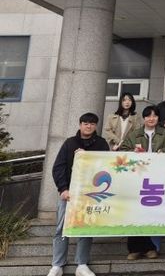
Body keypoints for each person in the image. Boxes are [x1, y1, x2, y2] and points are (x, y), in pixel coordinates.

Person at [47, 113, 109, 276]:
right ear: (80, 124)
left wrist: (86, 157)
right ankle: (57, 264)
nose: (89, 126)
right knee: (62, 228)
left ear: (96, 126)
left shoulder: (101, 143)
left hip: (91, 194)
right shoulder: (69, 143)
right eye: (85, 123)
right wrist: (63, 189)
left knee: (86, 227)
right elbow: (58, 167)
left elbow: (105, 167)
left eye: (92, 124)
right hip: (69, 193)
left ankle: (82, 264)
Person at [120, 105, 165, 260]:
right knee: (135, 212)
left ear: (158, 118)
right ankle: (135, 249)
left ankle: (151, 248)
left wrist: (162, 152)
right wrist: (133, 152)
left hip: (158, 179)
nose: (151, 119)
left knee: (152, 212)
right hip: (138, 179)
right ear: (144, 118)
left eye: (154, 116)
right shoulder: (134, 134)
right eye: (148, 116)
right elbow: (123, 150)